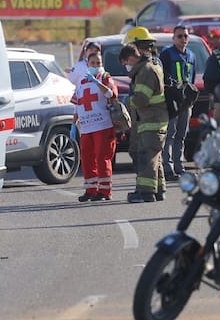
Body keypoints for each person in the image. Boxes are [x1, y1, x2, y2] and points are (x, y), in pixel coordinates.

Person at [122, 27, 169, 203]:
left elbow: (141, 99)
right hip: (154, 119)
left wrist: (128, 102)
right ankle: (159, 189)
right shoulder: (153, 65)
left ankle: (145, 192)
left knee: (147, 155)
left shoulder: (146, 70)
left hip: (151, 120)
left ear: (139, 48)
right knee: (154, 155)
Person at [71, 47, 118, 201]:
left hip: (102, 126)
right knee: (87, 158)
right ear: (87, 64)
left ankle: (105, 192)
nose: (96, 64)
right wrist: (74, 123)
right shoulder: (82, 81)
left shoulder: (105, 77)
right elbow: (78, 103)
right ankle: (91, 190)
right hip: (86, 127)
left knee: (102, 158)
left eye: (98, 62)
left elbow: (111, 94)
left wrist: (97, 82)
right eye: (93, 62)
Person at [159, 25, 196, 181]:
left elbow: (192, 77)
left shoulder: (191, 55)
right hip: (172, 100)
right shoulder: (167, 54)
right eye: (179, 36)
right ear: (173, 38)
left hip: (186, 101)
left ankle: (179, 166)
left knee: (181, 134)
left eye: (185, 36)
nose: (183, 39)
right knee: (170, 134)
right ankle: (167, 167)